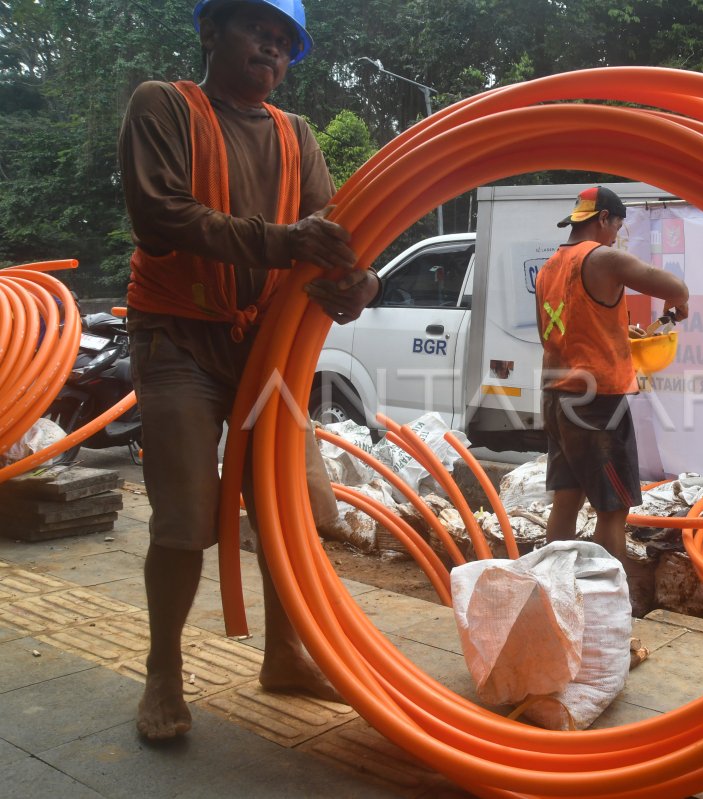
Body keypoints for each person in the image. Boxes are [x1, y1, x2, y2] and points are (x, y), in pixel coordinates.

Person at [118, 0, 382, 740]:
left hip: (266, 346)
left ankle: (286, 655)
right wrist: (283, 240)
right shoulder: (164, 106)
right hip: (178, 337)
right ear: (211, 31)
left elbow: (333, 239)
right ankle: (163, 671)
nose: (270, 51)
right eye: (256, 32)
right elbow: (159, 214)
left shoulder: (297, 137)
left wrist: (361, 285)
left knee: (289, 504)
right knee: (185, 518)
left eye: (282, 42)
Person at [535, 186, 689, 570]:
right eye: (617, 225)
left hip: (556, 395)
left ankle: (556, 589)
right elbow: (677, 288)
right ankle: (613, 604)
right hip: (597, 401)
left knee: (566, 501)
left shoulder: (549, 267)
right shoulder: (603, 259)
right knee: (612, 510)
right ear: (603, 218)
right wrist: (678, 302)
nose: (617, 234)